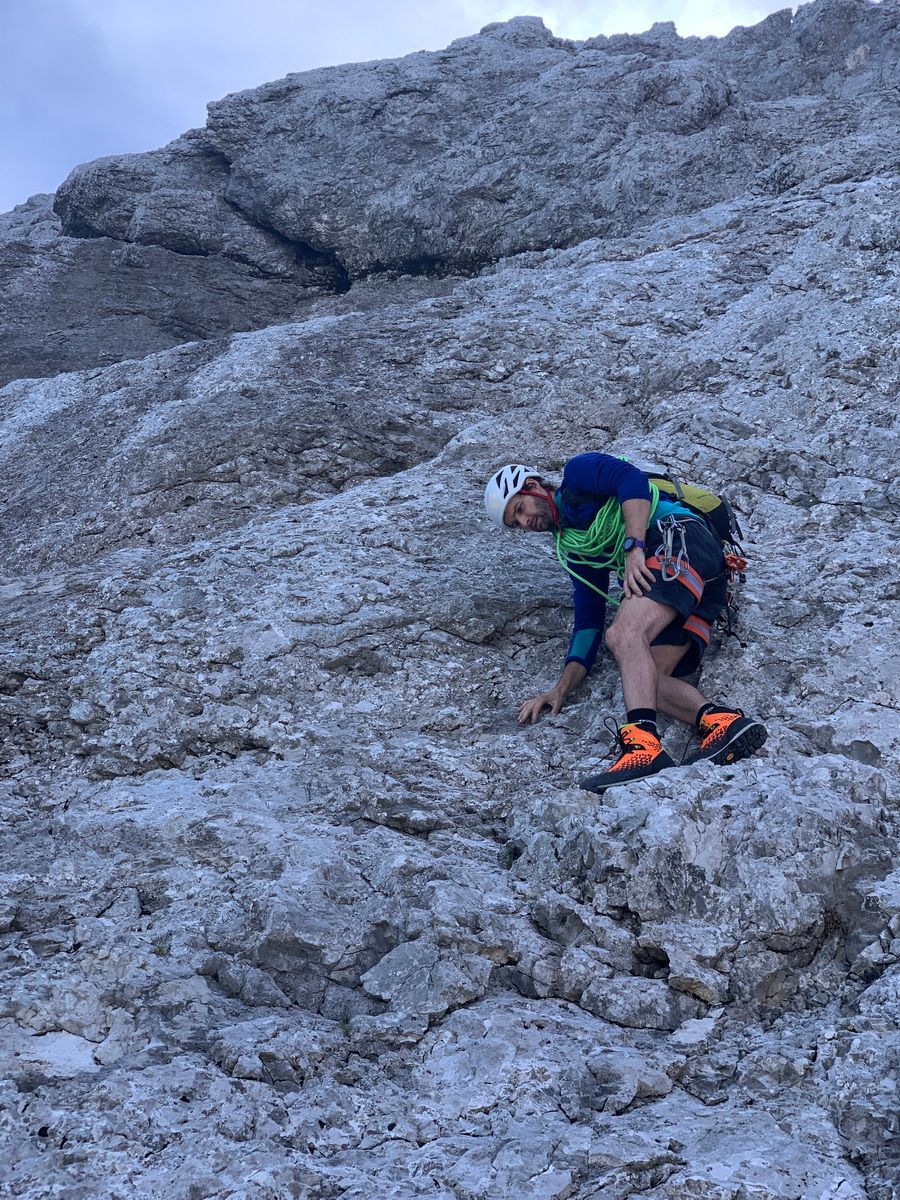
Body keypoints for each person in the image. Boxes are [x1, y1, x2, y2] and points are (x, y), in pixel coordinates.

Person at [484, 454, 767, 793]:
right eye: (515, 524)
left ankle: (642, 748)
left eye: (519, 509)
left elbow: (631, 481)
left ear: (533, 487)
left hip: (678, 539)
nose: (524, 521)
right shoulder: (577, 549)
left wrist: (634, 548)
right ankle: (722, 723)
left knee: (623, 634)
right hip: (705, 581)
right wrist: (559, 689)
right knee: (646, 679)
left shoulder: (579, 475)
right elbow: (588, 621)